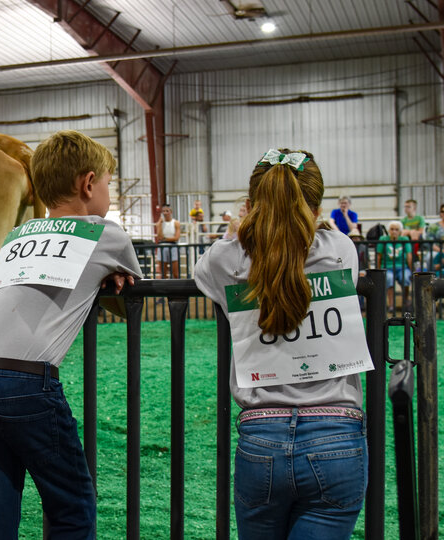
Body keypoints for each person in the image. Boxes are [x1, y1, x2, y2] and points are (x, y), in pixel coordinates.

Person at [0, 130, 142, 539]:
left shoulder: (20, 234)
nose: (108, 192)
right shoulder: (106, 235)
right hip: (24, 383)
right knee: (72, 509)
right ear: (88, 184)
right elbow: (132, 304)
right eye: (107, 183)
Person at [194, 148, 370, 539]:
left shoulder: (227, 261)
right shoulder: (339, 249)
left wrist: (243, 227)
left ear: (251, 205)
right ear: (317, 205)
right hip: (336, 432)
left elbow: (205, 267)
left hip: (262, 438)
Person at [376, 220, 412, 312]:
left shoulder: (405, 240)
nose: (394, 231)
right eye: (392, 229)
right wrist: (378, 270)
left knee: (406, 277)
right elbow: (378, 256)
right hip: (387, 267)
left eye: (396, 229)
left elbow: (409, 255)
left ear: (400, 231)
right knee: (389, 278)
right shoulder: (383, 239)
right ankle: (391, 305)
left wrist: (411, 270)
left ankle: (406, 301)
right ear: (389, 230)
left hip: (402, 267)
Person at [154, 203, 181, 278]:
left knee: (175, 272)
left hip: (173, 246)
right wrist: (159, 224)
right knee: (163, 273)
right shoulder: (160, 223)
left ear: (171, 212)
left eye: (167, 211)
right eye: (164, 211)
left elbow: (176, 237)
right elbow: (159, 237)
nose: (165, 213)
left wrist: (165, 239)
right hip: (162, 246)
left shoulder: (176, 223)